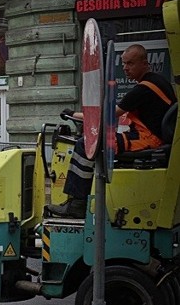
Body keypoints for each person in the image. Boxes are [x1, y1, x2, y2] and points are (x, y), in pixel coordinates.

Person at [48, 43, 177, 219]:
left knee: (85, 145)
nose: (125, 68)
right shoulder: (158, 81)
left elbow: (108, 115)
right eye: (123, 63)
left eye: (130, 63)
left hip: (148, 139)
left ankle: (77, 204)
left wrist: (72, 114)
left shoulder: (144, 89)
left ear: (144, 63)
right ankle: (78, 200)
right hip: (150, 136)